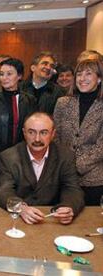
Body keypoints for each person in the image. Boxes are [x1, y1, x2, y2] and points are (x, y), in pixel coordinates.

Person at [0, 112, 84, 224]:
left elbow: (72, 189)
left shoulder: (65, 156)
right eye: (31, 132)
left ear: (53, 134)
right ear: (24, 133)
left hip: (52, 219)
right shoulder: (9, 157)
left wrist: (68, 207)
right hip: (18, 220)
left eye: (44, 133)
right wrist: (21, 208)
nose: (37, 139)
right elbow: (3, 191)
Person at [0, 58, 36, 197]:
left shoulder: (30, 100)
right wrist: (4, 156)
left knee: (21, 196)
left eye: (9, 74)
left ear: (19, 76)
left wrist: (20, 155)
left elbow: (31, 129)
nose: (4, 78)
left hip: (22, 158)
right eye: (1, 74)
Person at [54, 59, 103, 205]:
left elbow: (101, 147)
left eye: (89, 74)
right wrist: (65, 165)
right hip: (63, 176)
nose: (82, 78)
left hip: (93, 178)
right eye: (79, 74)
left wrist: (76, 166)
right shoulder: (63, 103)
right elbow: (55, 135)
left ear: (99, 78)